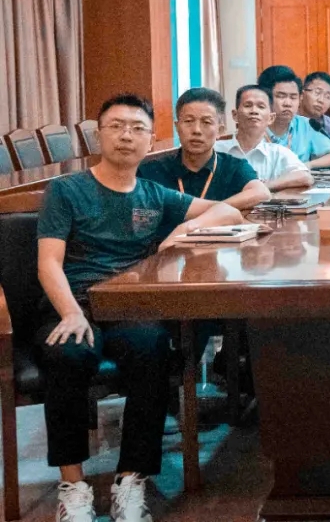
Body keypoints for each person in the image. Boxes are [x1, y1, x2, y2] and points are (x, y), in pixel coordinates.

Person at [36, 94, 242, 522]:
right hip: (72, 303)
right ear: (99, 135)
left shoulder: (154, 194)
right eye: (116, 126)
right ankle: (72, 486)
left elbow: (228, 210)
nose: (126, 136)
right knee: (68, 354)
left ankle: (131, 479)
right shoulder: (66, 190)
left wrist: (186, 227)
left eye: (137, 128)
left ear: (151, 140)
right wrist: (71, 312)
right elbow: (48, 263)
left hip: (129, 306)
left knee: (152, 349)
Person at [138, 87, 270, 210]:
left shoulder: (234, 167)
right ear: (177, 127)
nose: (196, 130)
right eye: (189, 121)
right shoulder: (151, 171)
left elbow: (262, 193)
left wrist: (209, 211)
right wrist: (221, 210)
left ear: (220, 130)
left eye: (206, 122)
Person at [215, 85, 314, 192]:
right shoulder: (216, 150)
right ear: (235, 115)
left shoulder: (277, 153)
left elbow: (305, 177)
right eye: (248, 105)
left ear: (271, 118)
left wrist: (263, 186)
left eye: (261, 107)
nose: (254, 111)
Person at [258, 66, 330, 168]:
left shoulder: (306, 125)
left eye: (293, 97)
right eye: (281, 96)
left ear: (300, 98)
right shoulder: (254, 126)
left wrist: (306, 166)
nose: (288, 103)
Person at [298, 71, 330, 147]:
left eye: (328, 97)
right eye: (317, 93)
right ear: (302, 94)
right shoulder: (289, 118)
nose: (321, 100)